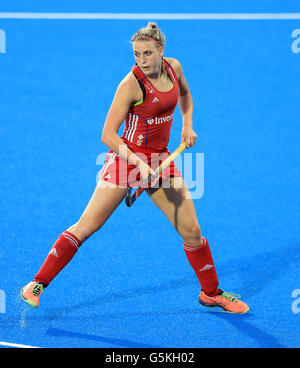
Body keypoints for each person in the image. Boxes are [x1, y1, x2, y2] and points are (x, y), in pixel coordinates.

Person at [21, 23, 249, 314]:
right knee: (87, 226)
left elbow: (186, 96)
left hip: (161, 159)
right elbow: (107, 134)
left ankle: (211, 293)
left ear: (161, 51)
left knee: (192, 230)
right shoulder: (131, 84)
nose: (142, 60)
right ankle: (37, 283)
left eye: (148, 53)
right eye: (137, 54)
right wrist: (140, 164)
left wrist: (187, 127)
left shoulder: (173, 68)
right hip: (126, 159)